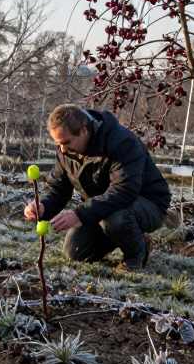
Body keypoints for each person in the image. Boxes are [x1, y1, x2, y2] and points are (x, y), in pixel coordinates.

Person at [24, 104, 172, 271]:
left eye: (66, 142)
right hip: (102, 209)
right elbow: (57, 188)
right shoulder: (66, 152)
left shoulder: (123, 142)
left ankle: (135, 255)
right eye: (59, 144)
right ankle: (122, 234)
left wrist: (80, 214)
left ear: (84, 130)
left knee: (116, 217)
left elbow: (123, 192)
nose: (62, 150)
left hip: (147, 205)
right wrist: (42, 205)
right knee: (75, 252)